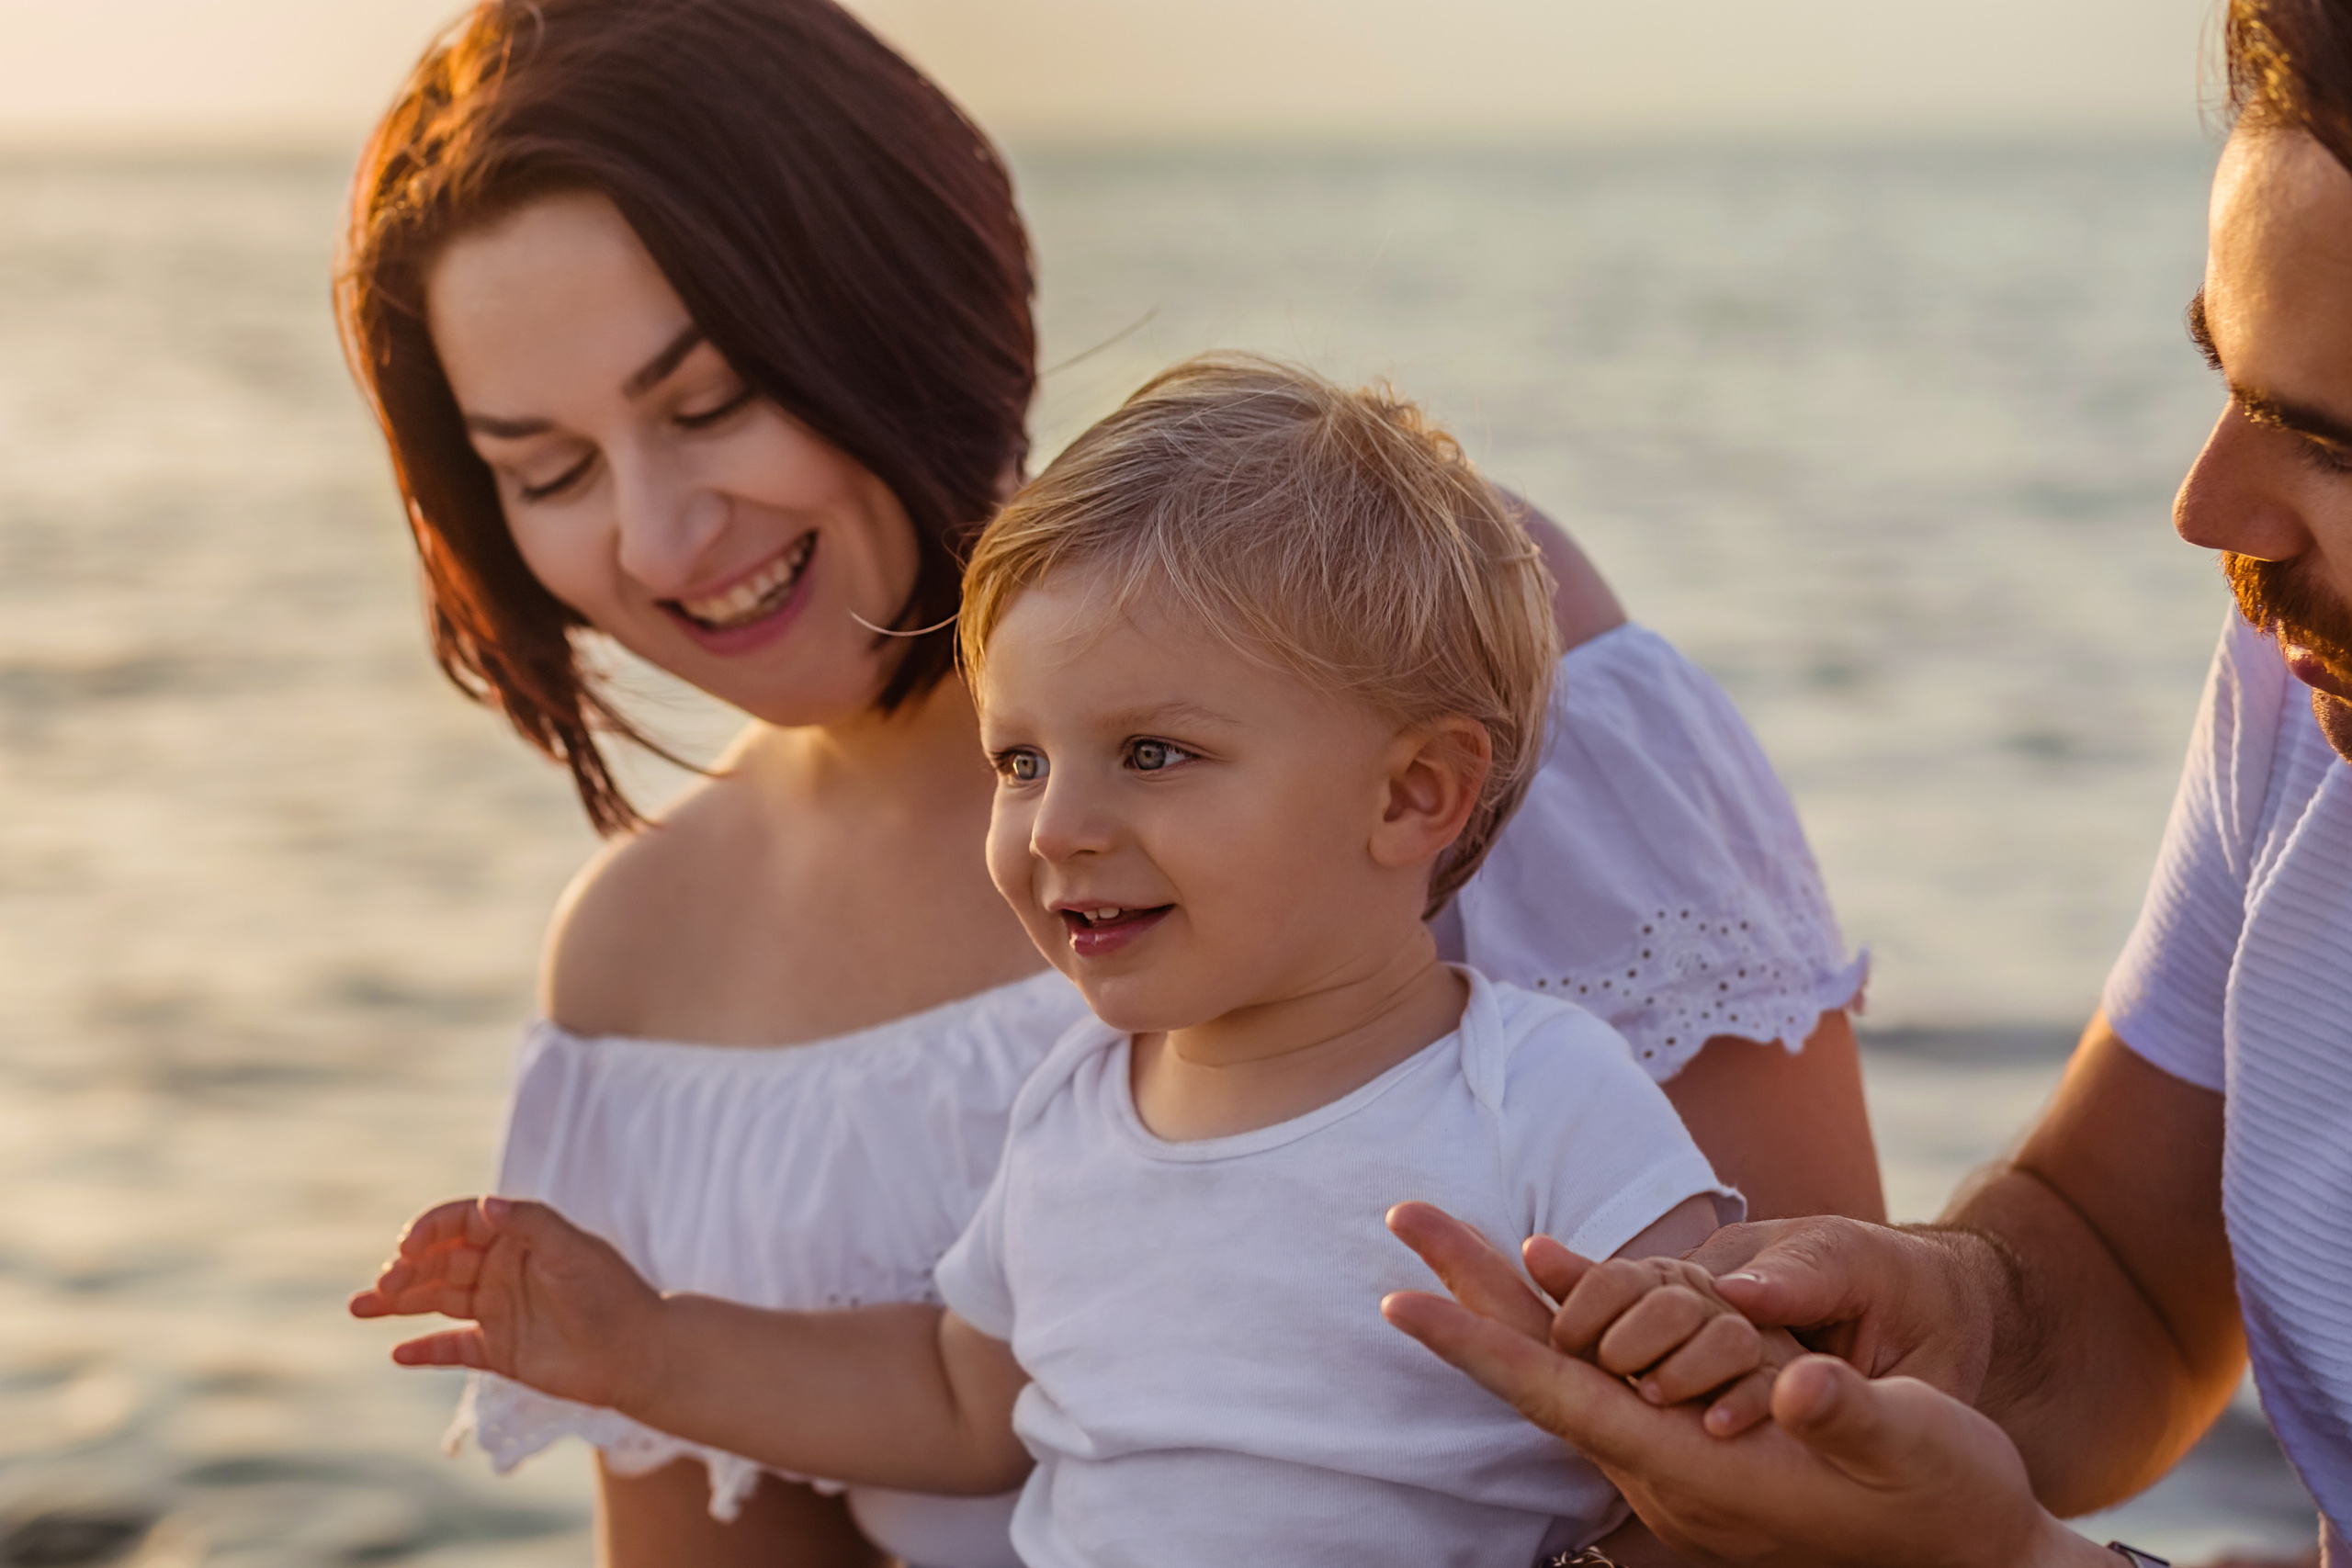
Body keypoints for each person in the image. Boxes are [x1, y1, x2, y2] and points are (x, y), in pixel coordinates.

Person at [338, 2, 1880, 1562]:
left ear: (893, 298)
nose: (662, 539)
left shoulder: (1396, 633)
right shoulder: (650, 963)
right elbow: (947, 1398)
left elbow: (1840, 1422)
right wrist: (642, 1342)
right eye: (548, 471)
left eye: (711, 401)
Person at [355, 354, 1749, 1568]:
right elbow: (955, 1395)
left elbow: (1721, 1441)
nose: (1057, 826)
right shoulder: (1077, 1110)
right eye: (1019, 761)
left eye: (1153, 752)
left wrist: (1704, 1348)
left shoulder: (1534, 1096)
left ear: (1411, 796)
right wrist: (646, 1347)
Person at [1384, 2, 2352, 1565]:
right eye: (2228, 385)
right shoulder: (2301, 693)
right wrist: (1941, 1314)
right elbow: (2123, 1269)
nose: (2206, 508)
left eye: (2332, 447)